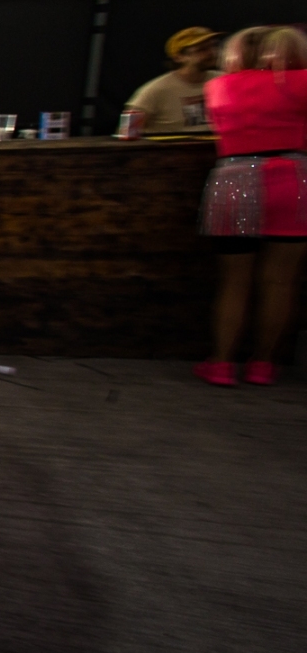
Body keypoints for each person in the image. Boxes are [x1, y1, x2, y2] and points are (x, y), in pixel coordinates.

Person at [194, 24, 307, 386]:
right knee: (280, 282)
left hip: (233, 178)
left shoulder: (218, 86)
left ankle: (222, 363)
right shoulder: (301, 81)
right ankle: (263, 364)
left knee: (233, 281)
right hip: (293, 181)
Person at [125, 26, 221, 131]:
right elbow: (127, 131)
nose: (212, 52)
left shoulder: (223, 81)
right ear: (178, 57)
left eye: (213, 46)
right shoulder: (154, 90)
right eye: (202, 49)